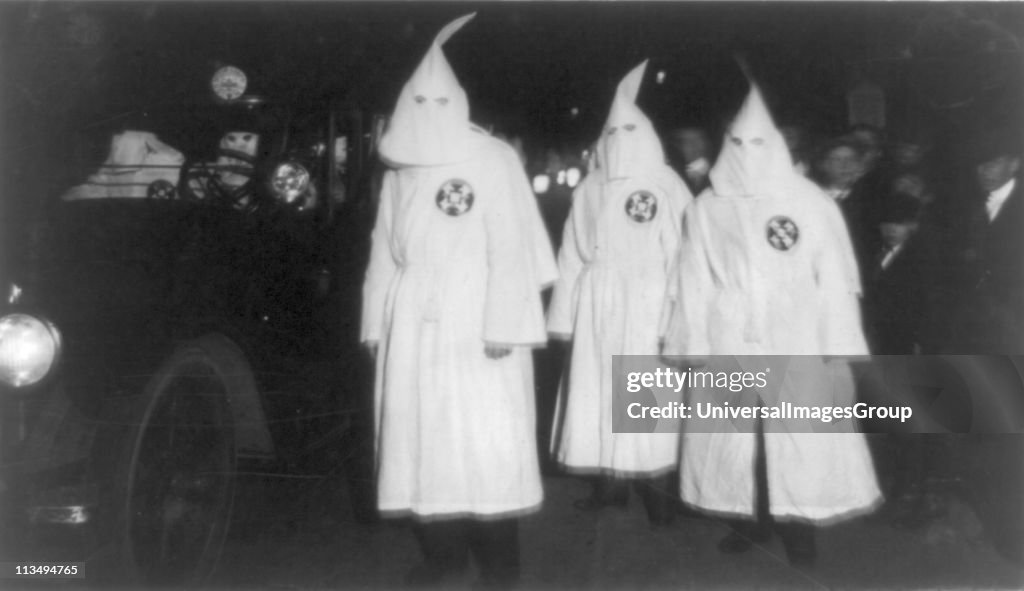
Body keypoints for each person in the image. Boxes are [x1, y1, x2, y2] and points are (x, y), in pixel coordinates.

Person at [360, 14, 557, 588]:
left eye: (438, 99)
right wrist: (376, 323)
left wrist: (504, 324)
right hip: (413, 317)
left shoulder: (492, 159)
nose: (428, 109)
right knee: (419, 437)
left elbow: (513, 248)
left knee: (484, 441)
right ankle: (443, 554)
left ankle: (500, 565)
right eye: (416, 100)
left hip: (478, 320)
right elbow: (383, 250)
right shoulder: (399, 165)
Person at [663, 81, 881, 567]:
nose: (748, 154)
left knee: (798, 434)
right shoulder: (706, 207)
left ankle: (800, 529)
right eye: (738, 145)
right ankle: (747, 521)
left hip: (796, 330)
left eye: (759, 144)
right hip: (731, 330)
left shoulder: (809, 201)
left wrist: (837, 341)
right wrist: (691, 341)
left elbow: (836, 278)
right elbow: (692, 277)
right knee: (736, 434)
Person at [547, 61, 693, 526]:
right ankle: (609, 486)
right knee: (596, 394)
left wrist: (678, 320)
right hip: (597, 302)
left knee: (647, 398)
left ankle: (659, 496)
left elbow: (685, 254)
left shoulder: (666, 183)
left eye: (628, 130)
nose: (618, 141)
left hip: (648, 302)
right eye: (610, 132)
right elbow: (572, 253)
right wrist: (565, 321)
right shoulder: (589, 187)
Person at [666, 124, 713, 195]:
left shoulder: (721, 172)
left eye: (698, 139)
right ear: (678, 147)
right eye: (686, 141)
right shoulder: (671, 176)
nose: (694, 145)